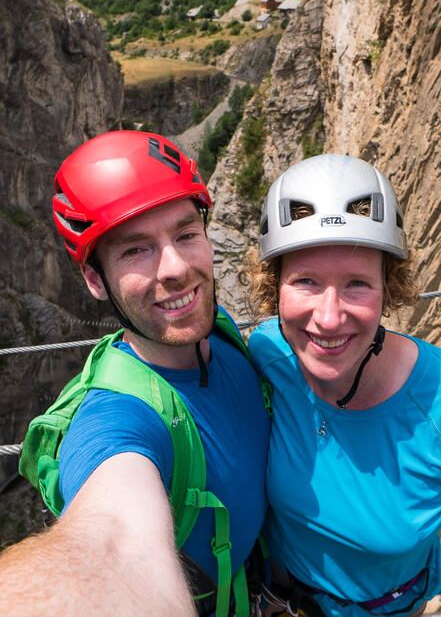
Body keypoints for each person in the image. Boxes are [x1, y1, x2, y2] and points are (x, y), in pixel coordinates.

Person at [0, 131, 270, 617]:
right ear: (94, 279)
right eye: (135, 250)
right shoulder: (117, 419)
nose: (176, 269)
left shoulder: (222, 332)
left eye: (187, 234)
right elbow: (115, 546)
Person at [242, 153, 441, 617]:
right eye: (306, 281)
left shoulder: (433, 402)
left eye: (356, 284)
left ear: (389, 289)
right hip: (280, 597)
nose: (328, 319)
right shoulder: (270, 353)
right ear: (275, 290)